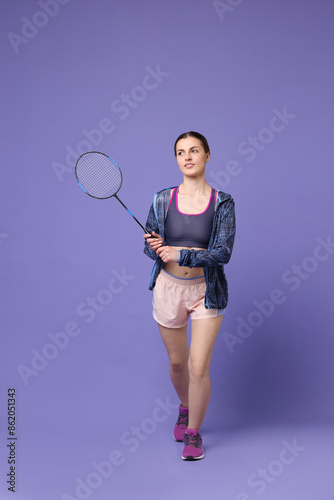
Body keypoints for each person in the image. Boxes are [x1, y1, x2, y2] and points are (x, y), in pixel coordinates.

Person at [143, 131, 236, 461]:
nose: (188, 157)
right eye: (181, 152)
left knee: (199, 367)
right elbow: (150, 246)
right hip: (168, 289)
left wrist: (180, 254)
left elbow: (222, 253)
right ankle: (185, 406)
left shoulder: (222, 202)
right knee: (178, 363)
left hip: (206, 292)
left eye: (194, 150)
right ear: (177, 159)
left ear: (207, 155)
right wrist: (155, 248)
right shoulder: (162, 199)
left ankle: (194, 434)